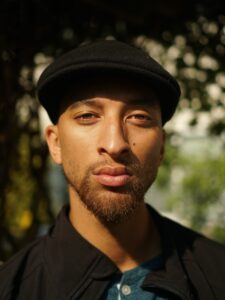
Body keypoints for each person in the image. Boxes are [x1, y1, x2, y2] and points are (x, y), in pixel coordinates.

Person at [0, 40, 225, 300]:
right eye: (87, 116)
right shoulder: (12, 289)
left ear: (161, 146)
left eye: (138, 117)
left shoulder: (216, 276)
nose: (115, 144)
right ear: (56, 143)